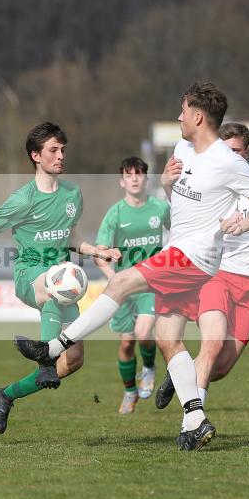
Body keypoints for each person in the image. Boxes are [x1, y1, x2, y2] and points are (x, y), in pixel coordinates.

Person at [13, 81, 249, 450]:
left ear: (199, 117)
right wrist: (167, 183)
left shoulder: (228, 161)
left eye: (184, 111)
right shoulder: (183, 149)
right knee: (167, 339)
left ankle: (54, 348)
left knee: (119, 284)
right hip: (182, 251)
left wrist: (241, 225)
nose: (179, 117)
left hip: (194, 256)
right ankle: (195, 420)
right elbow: (181, 203)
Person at [0, 122, 120, 434]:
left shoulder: (72, 194)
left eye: (63, 150)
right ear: (36, 156)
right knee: (54, 287)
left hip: (62, 279)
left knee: (74, 359)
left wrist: (96, 250)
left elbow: (71, 236)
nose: (61, 155)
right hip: (30, 275)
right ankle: (46, 361)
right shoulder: (23, 199)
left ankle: (5, 395)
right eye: (53, 150)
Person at [153, 122, 249, 414]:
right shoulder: (212, 180)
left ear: (247, 153)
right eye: (227, 150)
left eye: (238, 151)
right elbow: (183, 211)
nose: (232, 156)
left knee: (222, 366)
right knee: (213, 343)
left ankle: (180, 372)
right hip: (216, 273)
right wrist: (167, 185)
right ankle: (193, 421)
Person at [93, 156, 170, 414]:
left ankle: (148, 368)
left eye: (139, 174)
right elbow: (100, 253)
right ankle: (129, 391)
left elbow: (181, 232)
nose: (134, 179)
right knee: (126, 343)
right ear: (122, 181)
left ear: (146, 179)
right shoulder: (115, 213)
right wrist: (112, 277)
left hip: (151, 284)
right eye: (129, 175)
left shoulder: (161, 208)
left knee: (144, 333)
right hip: (124, 287)